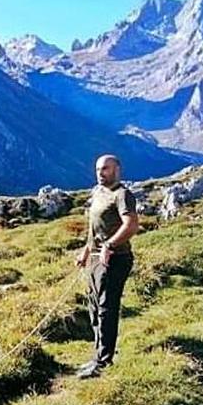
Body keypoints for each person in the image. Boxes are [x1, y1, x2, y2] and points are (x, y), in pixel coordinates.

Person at [74, 155, 140, 379]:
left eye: (106, 169)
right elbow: (94, 226)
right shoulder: (97, 192)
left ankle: (103, 361)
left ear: (117, 170)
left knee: (106, 308)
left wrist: (110, 245)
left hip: (115, 259)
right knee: (94, 307)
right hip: (94, 258)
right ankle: (98, 354)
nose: (101, 173)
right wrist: (86, 249)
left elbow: (131, 225)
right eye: (98, 169)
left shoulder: (122, 194)